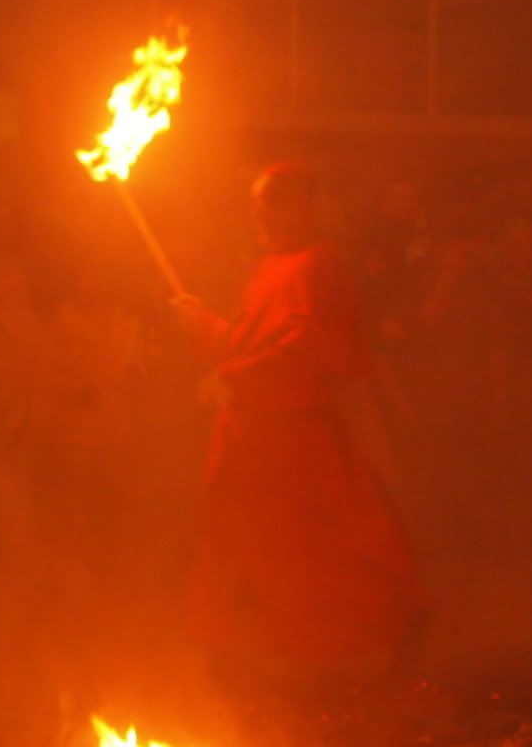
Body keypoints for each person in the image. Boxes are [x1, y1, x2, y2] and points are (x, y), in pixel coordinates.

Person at [173, 162, 424, 692]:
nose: (256, 216)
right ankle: (240, 648)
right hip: (255, 439)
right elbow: (248, 346)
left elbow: (304, 351)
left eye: (268, 204)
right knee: (243, 541)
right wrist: (205, 327)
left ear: (298, 206)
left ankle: (350, 649)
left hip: (293, 443)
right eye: (255, 206)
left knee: (316, 547)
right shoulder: (271, 267)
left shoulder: (317, 265)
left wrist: (232, 375)